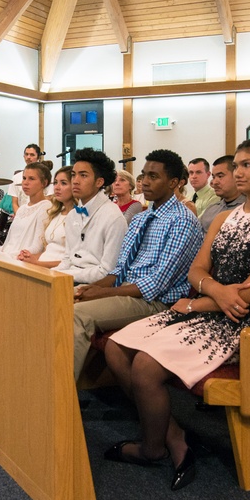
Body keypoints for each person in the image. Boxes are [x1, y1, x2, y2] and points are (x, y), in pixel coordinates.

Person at [103, 139, 250, 490]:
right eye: (236, 165)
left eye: (247, 165)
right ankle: (174, 436)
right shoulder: (225, 217)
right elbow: (196, 271)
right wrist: (215, 290)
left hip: (240, 323)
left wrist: (200, 301)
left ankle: (152, 449)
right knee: (116, 347)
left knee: (146, 366)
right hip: (208, 308)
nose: (238, 171)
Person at [71, 149, 204, 379]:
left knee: (76, 315)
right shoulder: (142, 218)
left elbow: (155, 285)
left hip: (157, 302)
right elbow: (119, 270)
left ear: (173, 182)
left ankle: (59, 401)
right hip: (128, 293)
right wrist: (89, 289)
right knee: (60, 301)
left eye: (154, 177)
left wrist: (102, 293)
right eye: (143, 176)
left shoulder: (181, 221)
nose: (145, 182)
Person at [56, 148, 127, 284]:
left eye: (83, 175)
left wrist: (66, 276)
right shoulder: (73, 214)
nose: (75, 181)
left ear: (99, 182)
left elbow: (107, 270)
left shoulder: (113, 217)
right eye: (73, 175)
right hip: (69, 277)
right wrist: (52, 274)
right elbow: (67, 259)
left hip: (95, 284)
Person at [0, 162, 51, 259]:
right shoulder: (22, 208)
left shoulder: (46, 207)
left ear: (44, 183)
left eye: (31, 179)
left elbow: (38, 246)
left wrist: (13, 255)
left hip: (23, 258)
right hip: (10, 254)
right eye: (24, 178)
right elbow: (8, 242)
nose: (25, 183)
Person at [18, 165, 75, 267]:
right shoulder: (55, 213)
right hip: (42, 266)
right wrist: (31, 257)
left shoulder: (78, 216)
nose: (57, 187)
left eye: (63, 183)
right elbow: (48, 251)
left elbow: (73, 261)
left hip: (59, 272)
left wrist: (38, 263)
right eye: (55, 183)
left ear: (75, 186)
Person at [199, 156, 244, 232]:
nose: (214, 182)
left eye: (220, 176)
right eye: (213, 177)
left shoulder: (247, 209)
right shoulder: (211, 209)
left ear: (236, 175)